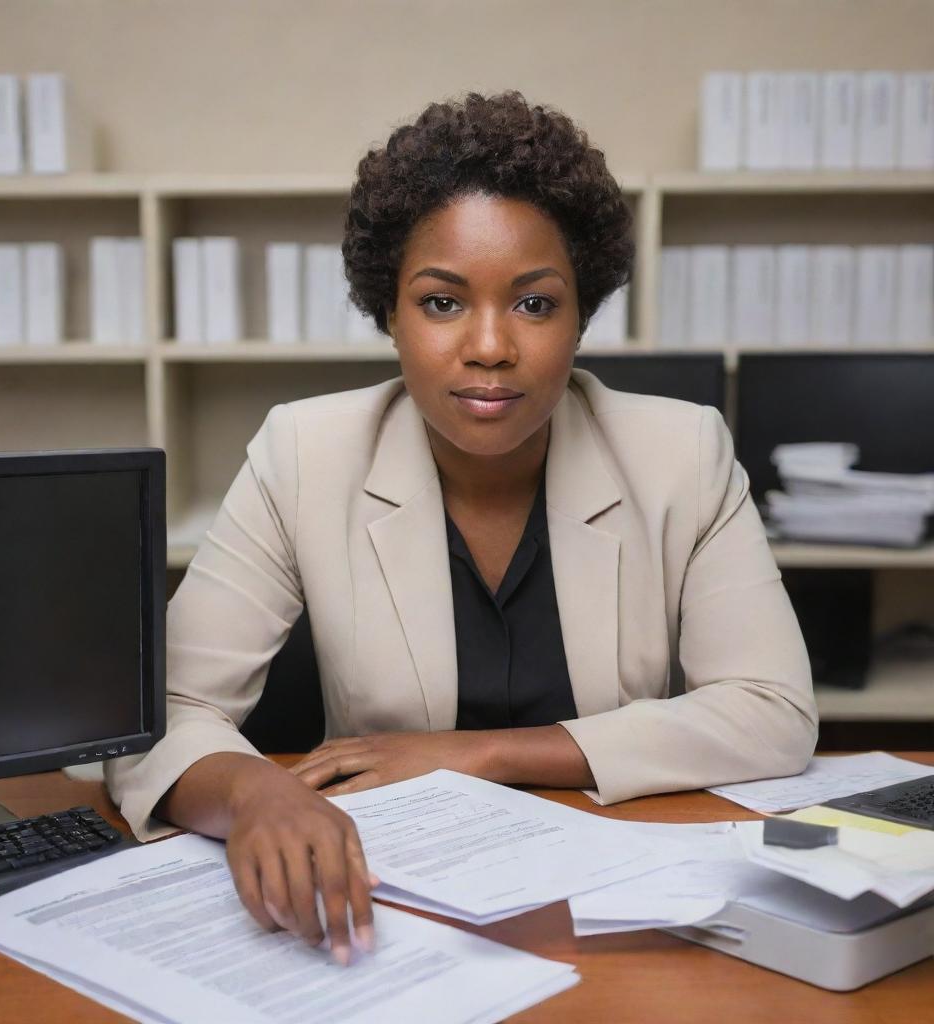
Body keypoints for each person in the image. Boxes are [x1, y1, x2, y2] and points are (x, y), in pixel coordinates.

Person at [106, 90, 817, 965]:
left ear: (581, 315)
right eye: (442, 303)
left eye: (533, 304)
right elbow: (161, 714)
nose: (489, 346)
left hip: (616, 905)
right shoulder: (306, 452)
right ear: (390, 315)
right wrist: (253, 791)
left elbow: (772, 714)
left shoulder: (681, 453)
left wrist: (480, 755)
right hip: (395, 908)